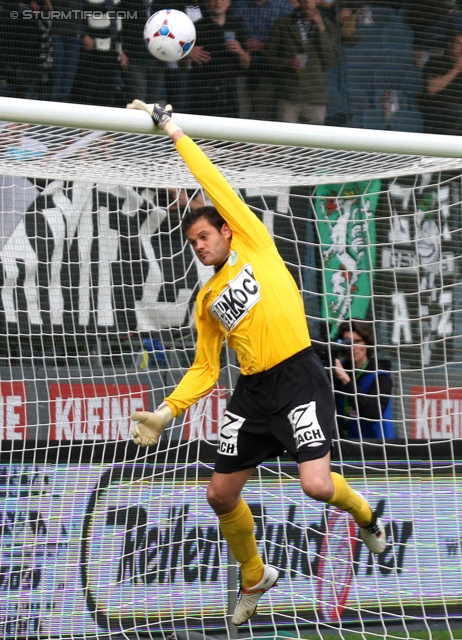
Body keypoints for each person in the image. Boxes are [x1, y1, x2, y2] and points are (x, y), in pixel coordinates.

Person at [127, 100, 387, 626]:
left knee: (316, 485)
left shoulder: (252, 242)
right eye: (191, 242)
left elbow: (209, 176)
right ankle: (254, 575)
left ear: (225, 231)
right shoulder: (208, 303)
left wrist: (172, 128)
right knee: (219, 494)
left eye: (204, 235)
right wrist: (166, 413)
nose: (198, 246)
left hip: (297, 377)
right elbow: (205, 370)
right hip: (252, 392)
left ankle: (363, 514)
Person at [264, 0, 338, 124]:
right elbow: (267, 57)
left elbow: (330, 60)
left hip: (315, 96)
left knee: (314, 141)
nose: (307, 1)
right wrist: (287, 62)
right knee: (284, 141)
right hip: (289, 94)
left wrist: (321, 29)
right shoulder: (283, 24)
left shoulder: (328, 26)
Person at [332, 321, 394, 440]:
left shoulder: (381, 376)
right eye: (347, 342)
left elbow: (372, 413)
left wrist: (346, 380)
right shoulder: (336, 370)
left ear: (367, 344)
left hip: (376, 448)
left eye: (357, 342)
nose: (352, 347)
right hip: (345, 444)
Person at [188, 0, 251, 117]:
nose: (218, 2)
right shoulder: (196, 27)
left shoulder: (237, 26)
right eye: (214, 0)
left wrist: (240, 51)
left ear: (229, 3)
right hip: (203, 89)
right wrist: (188, 53)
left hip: (230, 89)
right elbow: (183, 66)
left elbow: (247, 64)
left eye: (222, 0)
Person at [419, 30, 462, 135]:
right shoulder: (436, 62)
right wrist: (456, 69)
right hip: (438, 116)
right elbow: (432, 88)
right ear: (449, 45)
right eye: (459, 44)